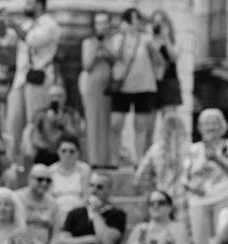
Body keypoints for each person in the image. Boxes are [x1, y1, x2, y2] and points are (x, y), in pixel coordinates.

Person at [0, 0, 62, 165]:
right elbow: (5, 40)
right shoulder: (27, 24)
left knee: (35, 123)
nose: (25, 6)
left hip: (39, 79)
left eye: (29, 3)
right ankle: (14, 162)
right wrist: (2, 23)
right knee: (13, 122)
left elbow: (32, 41)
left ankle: (36, 161)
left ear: (39, 5)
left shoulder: (50, 24)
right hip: (20, 79)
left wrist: (13, 24)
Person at [108, 8, 163, 167]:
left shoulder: (147, 39)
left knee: (141, 125)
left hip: (144, 86)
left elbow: (158, 61)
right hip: (122, 86)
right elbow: (115, 57)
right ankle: (114, 160)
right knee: (116, 124)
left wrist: (153, 43)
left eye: (137, 19)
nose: (135, 22)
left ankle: (139, 161)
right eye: (132, 19)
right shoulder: (118, 38)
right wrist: (124, 35)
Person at [183, 108, 228, 244]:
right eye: (206, 123)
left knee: (222, 242)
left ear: (222, 126)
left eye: (214, 122)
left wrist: (217, 159)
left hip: (223, 198)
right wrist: (192, 187)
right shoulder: (193, 149)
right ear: (200, 127)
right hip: (198, 201)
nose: (210, 126)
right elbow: (184, 178)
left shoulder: (226, 146)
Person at [16, 164, 67, 244]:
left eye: (48, 180)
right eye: (39, 179)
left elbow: (56, 232)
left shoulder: (52, 202)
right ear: (30, 179)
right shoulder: (17, 198)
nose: (44, 183)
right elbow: (19, 229)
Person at [79, 12, 114, 167]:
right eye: (99, 23)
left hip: (110, 86)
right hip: (92, 86)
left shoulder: (113, 41)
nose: (102, 26)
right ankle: (94, 159)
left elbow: (116, 60)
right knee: (92, 120)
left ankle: (107, 159)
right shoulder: (88, 43)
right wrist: (96, 49)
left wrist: (105, 50)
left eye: (104, 22)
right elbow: (87, 65)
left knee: (109, 122)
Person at [134, 114, 189, 210]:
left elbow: (140, 176)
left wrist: (150, 192)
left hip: (164, 198)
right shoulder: (191, 148)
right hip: (177, 198)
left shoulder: (155, 149)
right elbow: (141, 176)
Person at [24, 84, 82, 166]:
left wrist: (61, 123)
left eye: (59, 96)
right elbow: (35, 138)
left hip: (65, 153)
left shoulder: (72, 114)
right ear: (47, 98)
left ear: (65, 97)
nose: (56, 99)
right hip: (44, 153)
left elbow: (76, 136)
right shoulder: (40, 114)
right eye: (52, 96)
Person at [149, 10, 182, 125]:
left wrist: (166, 38)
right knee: (148, 124)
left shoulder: (174, 41)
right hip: (152, 84)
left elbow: (173, 57)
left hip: (169, 83)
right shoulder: (149, 40)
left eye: (161, 22)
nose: (158, 25)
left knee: (169, 122)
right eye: (155, 22)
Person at [48, 134, 91, 217]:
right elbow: (49, 198)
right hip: (57, 212)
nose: (67, 154)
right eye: (64, 151)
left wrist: (75, 212)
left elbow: (86, 196)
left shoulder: (84, 169)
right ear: (58, 151)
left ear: (78, 152)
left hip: (78, 212)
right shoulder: (50, 171)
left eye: (71, 151)